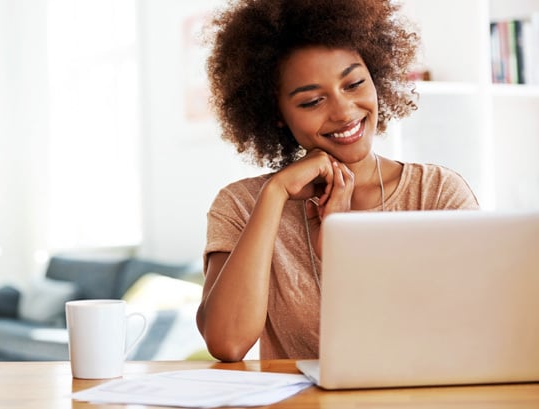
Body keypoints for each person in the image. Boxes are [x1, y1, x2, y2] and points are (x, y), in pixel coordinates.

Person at [196, 0, 480, 362]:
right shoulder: (240, 205)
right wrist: (275, 193)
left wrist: (343, 246)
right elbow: (228, 342)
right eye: (313, 101)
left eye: (354, 83)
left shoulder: (437, 193)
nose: (344, 112)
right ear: (277, 114)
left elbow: (466, 330)